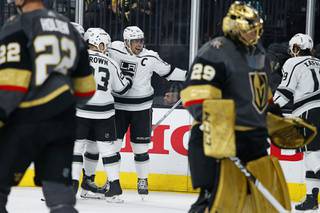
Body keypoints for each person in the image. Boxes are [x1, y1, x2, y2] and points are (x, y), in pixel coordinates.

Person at [180, 2, 291, 212]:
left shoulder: (258, 53)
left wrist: (275, 117)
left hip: (254, 141)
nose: (255, 33)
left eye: (256, 29)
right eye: (250, 29)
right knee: (214, 202)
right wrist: (218, 128)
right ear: (235, 27)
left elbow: (261, 96)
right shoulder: (216, 51)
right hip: (218, 141)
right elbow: (196, 95)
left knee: (253, 204)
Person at [0, 0, 96, 212]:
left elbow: (11, 85)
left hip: (24, 120)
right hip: (64, 119)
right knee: (60, 196)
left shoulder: (17, 24)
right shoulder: (69, 28)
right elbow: (86, 88)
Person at [108, 25, 186, 197]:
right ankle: (112, 180)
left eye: (141, 40)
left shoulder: (150, 56)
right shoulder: (113, 48)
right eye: (135, 41)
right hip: (118, 107)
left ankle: (142, 179)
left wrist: (191, 76)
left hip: (141, 109)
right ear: (126, 42)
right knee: (113, 147)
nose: (139, 44)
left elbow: (170, 72)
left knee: (140, 148)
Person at [71, 27, 132, 202]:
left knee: (76, 148)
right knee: (108, 151)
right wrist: (128, 78)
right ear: (101, 42)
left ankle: (73, 185)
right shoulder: (110, 62)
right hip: (104, 113)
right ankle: (114, 188)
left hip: (80, 111)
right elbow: (122, 89)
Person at [273, 33, 320, 211]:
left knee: (312, 157)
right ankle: (311, 198)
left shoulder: (293, 62)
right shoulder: (319, 63)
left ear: (295, 48)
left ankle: (311, 199)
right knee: (312, 157)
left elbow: (285, 93)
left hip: (308, 112)